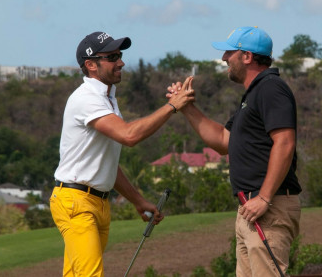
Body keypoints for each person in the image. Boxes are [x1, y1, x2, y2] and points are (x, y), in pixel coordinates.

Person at [50, 31, 194, 277]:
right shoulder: (87, 99)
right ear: (91, 65)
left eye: (120, 55)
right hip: (77, 202)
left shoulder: (106, 99)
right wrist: (172, 106)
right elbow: (129, 136)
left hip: (96, 202)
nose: (121, 61)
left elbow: (106, 165)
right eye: (112, 57)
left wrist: (138, 201)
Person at [168, 26, 301, 276]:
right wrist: (186, 107)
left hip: (267, 207)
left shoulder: (270, 87)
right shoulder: (252, 96)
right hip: (251, 209)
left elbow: (285, 142)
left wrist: (263, 198)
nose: (224, 59)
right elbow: (221, 140)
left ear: (247, 56)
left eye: (230, 52)